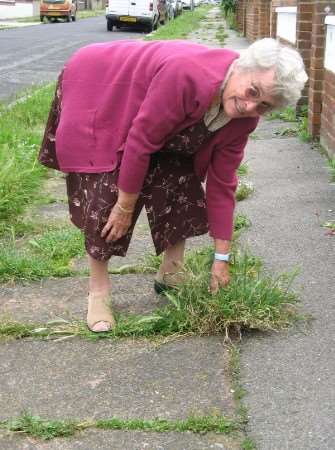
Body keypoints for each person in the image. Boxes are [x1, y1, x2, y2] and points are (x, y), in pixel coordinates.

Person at [39, 38, 307, 333]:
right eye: (252, 91)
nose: (249, 105)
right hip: (102, 85)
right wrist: (125, 206)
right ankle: (98, 292)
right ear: (241, 67)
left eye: (264, 106)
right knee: (108, 189)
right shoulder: (186, 75)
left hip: (149, 107)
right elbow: (140, 141)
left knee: (182, 175)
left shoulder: (244, 120)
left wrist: (221, 258)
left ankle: (171, 271)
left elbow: (223, 183)